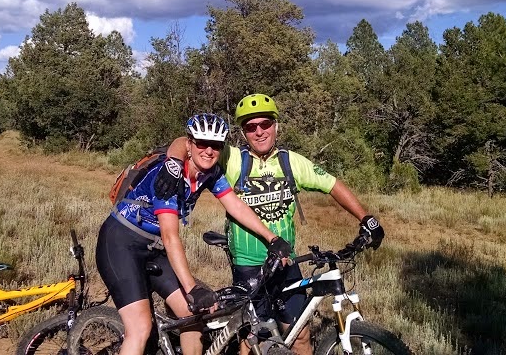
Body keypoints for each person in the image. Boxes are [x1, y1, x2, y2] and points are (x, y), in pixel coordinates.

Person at [158, 95, 385, 355]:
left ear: (276, 126)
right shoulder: (232, 158)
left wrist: (366, 218)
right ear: (243, 133)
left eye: (265, 124)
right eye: (250, 127)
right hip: (248, 265)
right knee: (252, 338)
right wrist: (174, 162)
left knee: (300, 335)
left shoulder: (291, 162)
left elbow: (332, 185)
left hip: (286, 261)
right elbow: (184, 142)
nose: (259, 132)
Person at [96, 113, 292, 355]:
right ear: (189, 144)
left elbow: (236, 206)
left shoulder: (210, 173)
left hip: (153, 247)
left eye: (216, 145)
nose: (209, 150)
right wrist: (192, 288)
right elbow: (171, 236)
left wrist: (272, 237)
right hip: (121, 242)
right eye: (202, 143)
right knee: (140, 328)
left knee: (192, 317)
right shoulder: (169, 177)